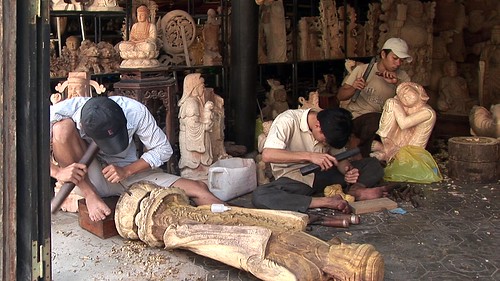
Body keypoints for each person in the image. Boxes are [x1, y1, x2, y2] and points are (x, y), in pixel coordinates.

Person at [50, 96, 224, 222]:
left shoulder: (133, 110)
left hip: (129, 171)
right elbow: (23, 144)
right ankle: (91, 196)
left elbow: (163, 149)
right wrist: (58, 172)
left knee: (199, 188)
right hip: (89, 177)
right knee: (62, 129)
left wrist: (127, 171)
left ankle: (241, 221)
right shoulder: (65, 110)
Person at [251, 108, 388, 213]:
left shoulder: (331, 123)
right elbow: (268, 155)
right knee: (260, 195)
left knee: (373, 163)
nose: (325, 143)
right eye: (325, 140)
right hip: (296, 178)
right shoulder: (288, 120)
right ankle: (324, 201)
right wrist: (310, 156)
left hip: (324, 174)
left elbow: (340, 159)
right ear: (318, 126)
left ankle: (356, 190)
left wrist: (348, 171)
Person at [337, 37, 412, 157]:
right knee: (374, 120)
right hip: (359, 117)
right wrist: (354, 88)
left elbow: (412, 102)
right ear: (383, 54)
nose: (398, 63)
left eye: (401, 60)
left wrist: (396, 83)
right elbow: (340, 96)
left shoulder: (402, 77)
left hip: (386, 121)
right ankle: (364, 159)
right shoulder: (362, 70)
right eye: (395, 58)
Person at [371, 82, 436, 162]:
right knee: (390, 104)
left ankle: (387, 153)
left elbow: (404, 123)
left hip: (413, 150)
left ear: (418, 91)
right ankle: (388, 148)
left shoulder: (427, 112)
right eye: (401, 96)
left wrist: (395, 104)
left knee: (391, 103)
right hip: (401, 144)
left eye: (407, 90)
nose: (404, 96)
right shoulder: (408, 109)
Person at [177, 73, 215, 180]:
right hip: (193, 136)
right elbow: (192, 125)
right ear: (195, 87)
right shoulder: (191, 103)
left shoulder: (197, 100)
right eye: (202, 86)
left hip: (200, 133)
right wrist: (205, 126)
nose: (203, 89)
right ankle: (194, 173)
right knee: (193, 163)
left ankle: (202, 171)